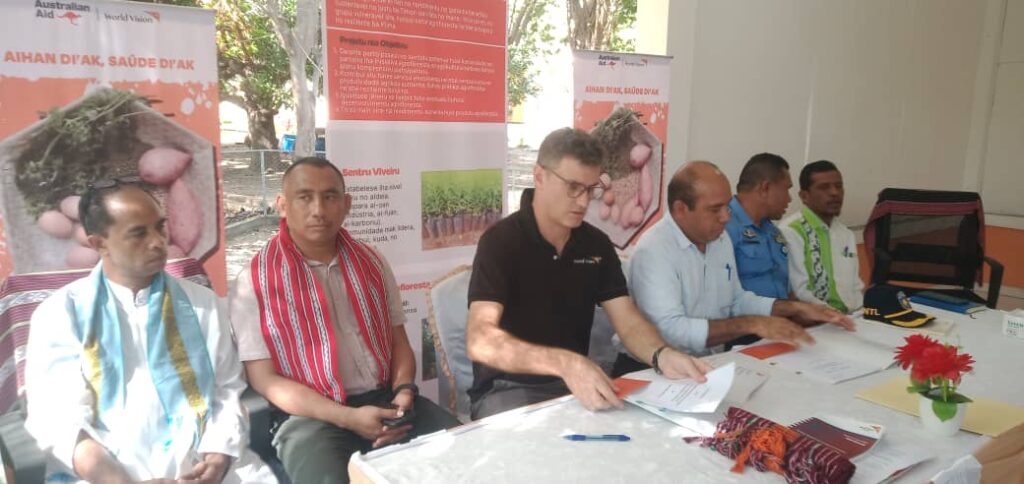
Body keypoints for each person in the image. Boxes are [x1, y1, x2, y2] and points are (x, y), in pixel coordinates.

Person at [229, 157, 459, 484]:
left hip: (386, 400)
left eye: (330, 196)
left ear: (346, 204)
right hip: (309, 418)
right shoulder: (255, 281)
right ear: (282, 205)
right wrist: (348, 418)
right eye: (304, 197)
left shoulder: (372, 262)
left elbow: (399, 343)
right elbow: (265, 380)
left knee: (470, 453)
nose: (319, 210)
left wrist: (403, 394)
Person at [25, 182, 273, 483]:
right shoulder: (60, 315)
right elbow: (59, 421)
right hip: (106, 475)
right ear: (99, 243)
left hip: (203, 469)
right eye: (138, 233)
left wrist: (218, 456)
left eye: (160, 227)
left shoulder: (202, 304)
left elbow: (226, 389)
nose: (158, 242)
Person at [465, 128, 711, 420]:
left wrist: (662, 354)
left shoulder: (595, 244)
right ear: (539, 176)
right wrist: (565, 363)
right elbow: (480, 340)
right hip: (507, 389)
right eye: (573, 187)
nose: (583, 202)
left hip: (574, 386)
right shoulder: (500, 242)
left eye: (591, 189)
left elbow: (627, 321)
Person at [612, 162, 855, 375]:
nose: (726, 217)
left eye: (727, 207)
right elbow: (671, 330)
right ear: (680, 209)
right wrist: (753, 324)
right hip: (651, 368)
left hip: (708, 362)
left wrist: (794, 308)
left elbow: (737, 299)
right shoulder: (654, 249)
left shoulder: (719, 239)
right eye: (714, 209)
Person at [780, 160, 864, 313]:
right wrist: (833, 315)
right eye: (824, 187)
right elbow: (799, 291)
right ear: (804, 196)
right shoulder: (791, 231)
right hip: (816, 319)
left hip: (853, 316)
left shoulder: (846, 234)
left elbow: (856, 287)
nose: (834, 193)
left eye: (838, 186)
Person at [725, 152, 793, 300]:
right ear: (765, 188)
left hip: (783, 312)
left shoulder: (773, 232)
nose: (789, 199)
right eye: (786, 189)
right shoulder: (723, 226)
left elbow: (784, 285)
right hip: (746, 314)